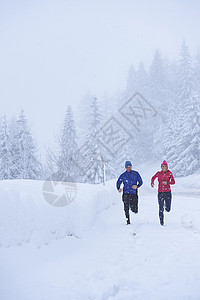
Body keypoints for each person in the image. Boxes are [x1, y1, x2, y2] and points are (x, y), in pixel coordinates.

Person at [151, 160, 175, 226]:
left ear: (167, 167)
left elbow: (173, 181)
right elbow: (153, 178)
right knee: (160, 208)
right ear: (161, 167)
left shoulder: (169, 173)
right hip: (160, 192)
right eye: (163, 166)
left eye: (165, 166)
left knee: (168, 209)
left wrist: (167, 182)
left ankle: (166, 206)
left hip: (168, 192)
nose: (164, 167)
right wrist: (152, 182)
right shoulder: (159, 173)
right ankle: (161, 222)